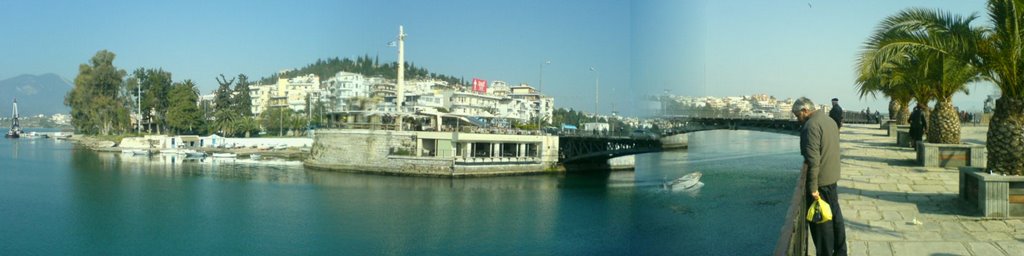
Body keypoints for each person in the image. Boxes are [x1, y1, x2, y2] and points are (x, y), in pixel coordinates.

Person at [792, 97, 846, 256]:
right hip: (832, 177)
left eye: (797, 115)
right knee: (836, 218)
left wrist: (813, 187)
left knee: (822, 225)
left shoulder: (811, 126)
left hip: (821, 182)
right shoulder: (829, 121)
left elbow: (813, 160)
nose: (797, 120)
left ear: (805, 110)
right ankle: (841, 252)